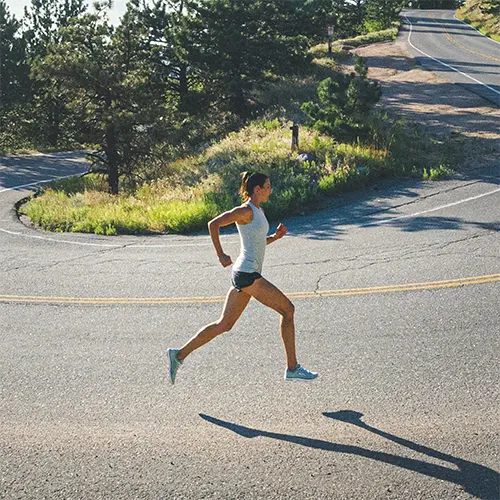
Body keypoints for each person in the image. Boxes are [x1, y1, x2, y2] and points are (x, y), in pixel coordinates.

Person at [167, 171, 318, 384]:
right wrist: (220, 254)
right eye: (268, 186)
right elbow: (214, 224)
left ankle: (178, 355)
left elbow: (255, 243)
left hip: (243, 274)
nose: (270, 189)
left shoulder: (258, 211)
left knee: (224, 324)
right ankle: (292, 368)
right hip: (248, 274)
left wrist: (275, 237)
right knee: (288, 309)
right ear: (257, 189)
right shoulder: (245, 211)